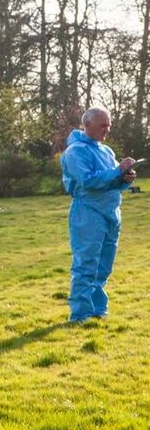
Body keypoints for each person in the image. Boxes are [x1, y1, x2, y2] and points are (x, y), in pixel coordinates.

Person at [60, 107, 137, 323]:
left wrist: (125, 178)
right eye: (103, 125)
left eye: (109, 124)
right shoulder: (75, 152)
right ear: (88, 125)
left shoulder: (106, 151)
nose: (107, 129)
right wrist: (116, 171)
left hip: (111, 213)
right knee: (86, 264)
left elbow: (112, 182)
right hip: (88, 214)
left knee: (104, 266)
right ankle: (80, 314)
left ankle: (97, 310)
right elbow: (88, 181)